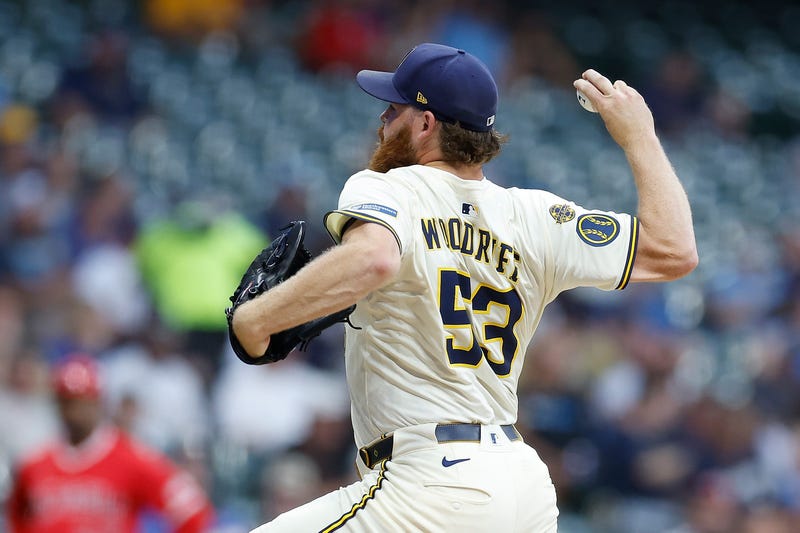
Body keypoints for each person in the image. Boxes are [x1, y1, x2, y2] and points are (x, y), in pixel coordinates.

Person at [231, 42, 697, 532]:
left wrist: (254, 320)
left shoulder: (390, 187)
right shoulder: (536, 216)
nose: (383, 120)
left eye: (394, 108)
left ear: (426, 123)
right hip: (522, 487)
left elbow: (374, 258)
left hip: (431, 480)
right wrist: (639, 136)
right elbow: (673, 250)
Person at [6, 353, 215, 533]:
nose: (72, 412)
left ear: (98, 402)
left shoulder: (131, 457)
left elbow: (192, 511)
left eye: (80, 402)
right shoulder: (35, 464)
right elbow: (15, 518)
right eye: (66, 401)